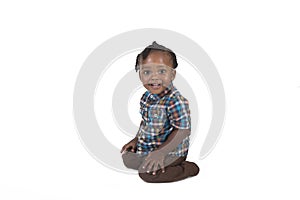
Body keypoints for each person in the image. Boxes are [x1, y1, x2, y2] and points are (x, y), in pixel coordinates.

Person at [121, 41, 199, 183]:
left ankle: (186, 168)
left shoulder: (176, 101)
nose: (154, 77)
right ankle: (149, 159)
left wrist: (161, 152)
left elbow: (182, 131)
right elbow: (145, 122)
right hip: (150, 146)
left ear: (172, 74)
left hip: (171, 151)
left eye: (162, 71)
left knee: (147, 174)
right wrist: (136, 140)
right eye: (147, 72)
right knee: (127, 157)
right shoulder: (147, 97)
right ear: (140, 75)